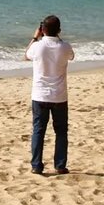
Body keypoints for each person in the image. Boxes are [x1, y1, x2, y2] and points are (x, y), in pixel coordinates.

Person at [24, 15, 75, 175]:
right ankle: (60, 165)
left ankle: (36, 165)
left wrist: (35, 36)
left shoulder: (37, 46)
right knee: (61, 131)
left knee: (38, 130)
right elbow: (71, 56)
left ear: (42, 29)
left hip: (40, 95)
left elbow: (26, 55)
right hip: (59, 96)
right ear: (59, 30)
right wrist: (55, 35)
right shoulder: (65, 46)